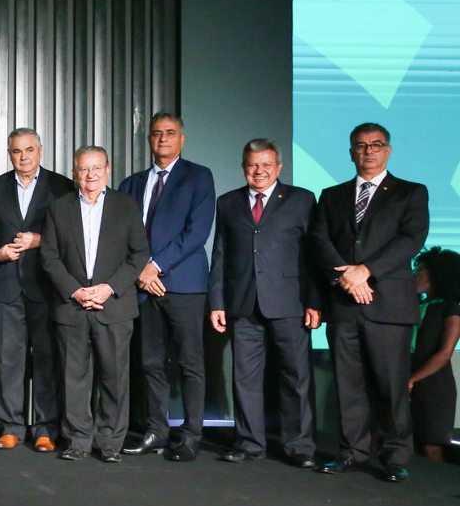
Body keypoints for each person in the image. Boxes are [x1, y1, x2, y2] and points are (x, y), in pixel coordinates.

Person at [311, 122, 428, 482]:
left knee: (391, 385)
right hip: (344, 304)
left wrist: (366, 271)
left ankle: (395, 456)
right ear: (351, 152)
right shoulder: (332, 195)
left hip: (388, 305)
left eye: (376, 145)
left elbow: (411, 239)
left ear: (388, 150)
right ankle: (354, 451)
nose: (369, 151)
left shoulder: (410, 192)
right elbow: (319, 239)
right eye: (361, 146)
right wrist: (346, 277)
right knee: (349, 384)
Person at [208, 139, 320, 467]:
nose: (259, 171)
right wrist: (217, 302)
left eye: (266, 165)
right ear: (244, 167)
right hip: (243, 304)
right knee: (245, 378)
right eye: (252, 165)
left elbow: (313, 257)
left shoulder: (301, 200)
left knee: (295, 378)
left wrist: (315, 301)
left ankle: (299, 447)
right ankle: (249, 443)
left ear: (279, 167)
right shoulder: (227, 202)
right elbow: (221, 255)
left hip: (291, 303)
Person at [40, 146, 148, 462]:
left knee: (115, 378)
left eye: (96, 168)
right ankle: (78, 440)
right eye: (84, 169)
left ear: (107, 170)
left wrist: (109, 288)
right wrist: (75, 291)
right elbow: (49, 256)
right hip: (72, 306)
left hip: (113, 306)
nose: (90, 175)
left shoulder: (126, 205)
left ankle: (110, 443)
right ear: (75, 173)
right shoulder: (59, 207)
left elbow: (138, 254)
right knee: (74, 379)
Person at [120, 112, 215, 461]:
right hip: (143, 288)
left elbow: (196, 232)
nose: (163, 138)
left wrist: (155, 266)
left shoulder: (199, 177)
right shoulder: (131, 184)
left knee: (191, 363)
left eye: (170, 133)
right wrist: (141, 272)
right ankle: (157, 431)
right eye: (157, 133)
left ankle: (191, 435)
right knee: (151, 364)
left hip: (184, 285)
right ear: (149, 139)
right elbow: (122, 235)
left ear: (182, 139)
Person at [0, 128, 74, 451]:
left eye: (29, 150)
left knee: (47, 361)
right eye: (17, 151)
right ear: (9, 154)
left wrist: (39, 240)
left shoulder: (62, 186)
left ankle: (46, 428)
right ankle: (11, 427)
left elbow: (73, 238)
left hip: (47, 288)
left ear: (40, 150)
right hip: (6, 285)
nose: (23, 157)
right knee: (8, 361)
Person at [408, 247, 460, 462]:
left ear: (436, 276)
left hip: (435, 387)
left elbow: (444, 354)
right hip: (407, 382)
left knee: (431, 445)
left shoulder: (451, 308)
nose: (414, 277)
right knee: (409, 446)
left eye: (419, 273)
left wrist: (410, 380)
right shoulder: (414, 305)